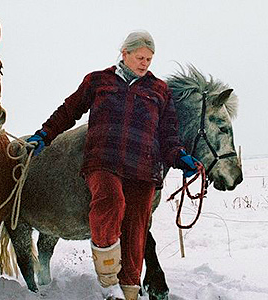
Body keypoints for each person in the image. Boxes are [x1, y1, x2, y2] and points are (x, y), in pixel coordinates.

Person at [27, 30, 199, 300]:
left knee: (136, 226)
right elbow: (69, 111)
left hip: (144, 169)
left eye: (149, 59)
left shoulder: (159, 90)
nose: (144, 63)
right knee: (110, 200)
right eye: (140, 57)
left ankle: (129, 290)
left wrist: (179, 157)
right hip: (103, 161)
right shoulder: (99, 81)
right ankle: (108, 274)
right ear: (125, 54)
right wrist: (45, 135)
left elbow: (169, 134)